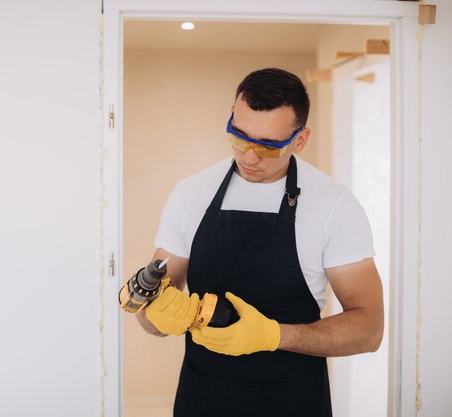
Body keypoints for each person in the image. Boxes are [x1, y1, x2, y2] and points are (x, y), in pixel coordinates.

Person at [135, 68, 384, 417]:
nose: (249, 157)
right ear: (231, 117)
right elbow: (149, 319)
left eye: (268, 146)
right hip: (203, 396)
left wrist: (274, 336)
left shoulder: (334, 205)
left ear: (300, 139)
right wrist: (158, 314)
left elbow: (369, 329)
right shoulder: (191, 194)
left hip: (293, 400)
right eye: (239, 137)